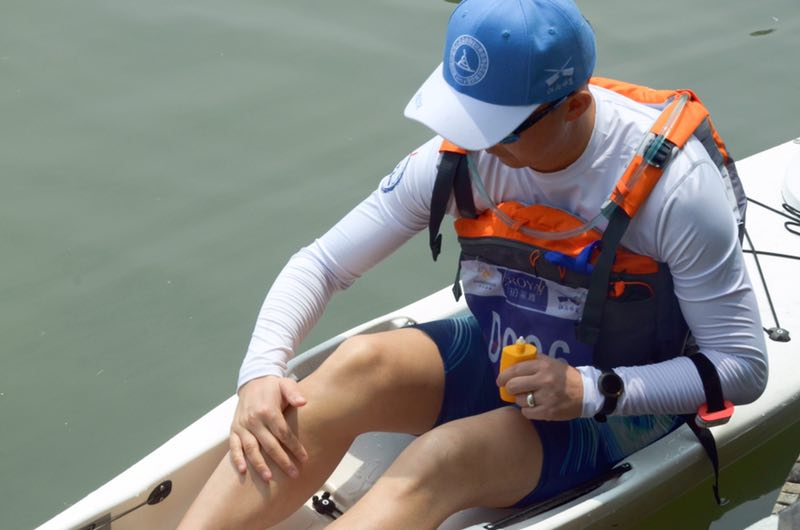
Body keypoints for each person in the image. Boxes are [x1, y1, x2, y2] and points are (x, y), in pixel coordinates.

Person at [178, 0, 768, 528]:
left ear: (574, 106)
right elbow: (322, 264)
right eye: (464, 117)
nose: (476, 146)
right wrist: (260, 372)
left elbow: (741, 367)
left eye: (496, 129)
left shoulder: (679, 193)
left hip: (620, 398)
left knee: (441, 458)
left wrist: (590, 389)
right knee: (358, 362)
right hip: (505, 352)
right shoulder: (459, 156)